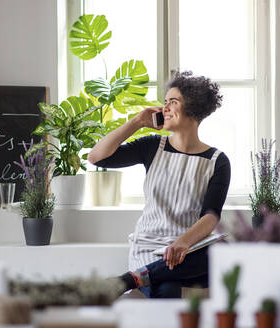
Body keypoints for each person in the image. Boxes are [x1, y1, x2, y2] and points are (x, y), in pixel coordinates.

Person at [88, 71, 231, 298]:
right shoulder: (153, 146)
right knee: (167, 290)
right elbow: (97, 157)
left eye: (173, 102)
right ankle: (140, 275)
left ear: (193, 108)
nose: (165, 108)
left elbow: (211, 217)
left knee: (221, 252)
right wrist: (137, 121)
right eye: (165, 102)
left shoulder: (217, 161)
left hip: (190, 249)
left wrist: (183, 243)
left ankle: (129, 279)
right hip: (149, 248)